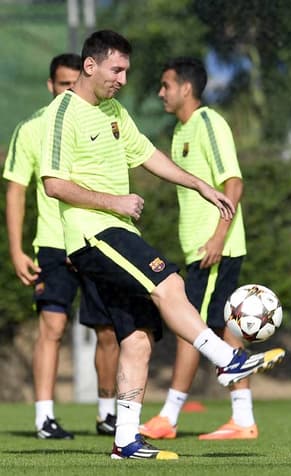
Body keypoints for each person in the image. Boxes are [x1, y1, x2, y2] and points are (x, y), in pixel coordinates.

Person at [39, 30, 285, 460]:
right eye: (117, 69)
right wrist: (114, 201)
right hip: (92, 234)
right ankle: (227, 359)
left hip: (117, 233)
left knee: (137, 337)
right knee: (168, 282)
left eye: (127, 71)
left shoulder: (114, 110)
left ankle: (126, 441)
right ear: (91, 66)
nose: (123, 78)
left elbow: (148, 155)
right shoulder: (63, 113)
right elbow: (54, 184)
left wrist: (202, 186)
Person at [3, 53, 119, 439]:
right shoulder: (32, 127)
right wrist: (17, 249)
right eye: (63, 83)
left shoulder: (102, 119)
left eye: (75, 82)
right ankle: (44, 418)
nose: (70, 89)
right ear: (50, 86)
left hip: (95, 237)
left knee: (107, 328)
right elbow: (17, 190)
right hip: (53, 243)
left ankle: (108, 415)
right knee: (51, 326)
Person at [140, 57, 256, 441]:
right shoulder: (180, 131)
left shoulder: (209, 123)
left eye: (166, 85)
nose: (161, 93)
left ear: (185, 88)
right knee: (221, 328)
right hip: (202, 249)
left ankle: (169, 417)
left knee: (191, 329)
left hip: (215, 249)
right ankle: (242, 418)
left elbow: (233, 183)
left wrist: (218, 238)